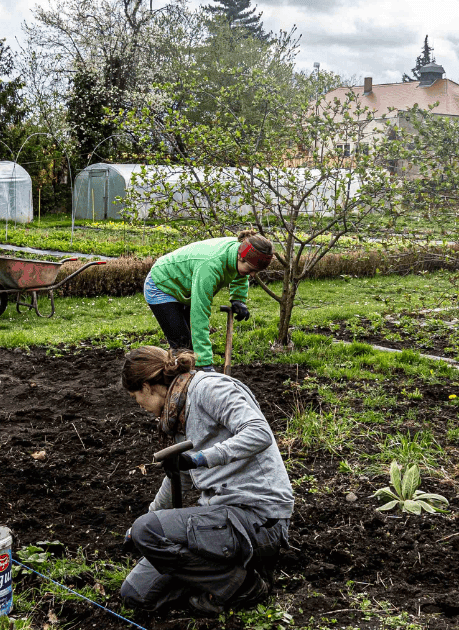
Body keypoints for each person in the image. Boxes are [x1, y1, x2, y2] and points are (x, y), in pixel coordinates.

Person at [119, 346, 294, 614]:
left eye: (134, 397)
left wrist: (203, 458)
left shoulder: (209, 388)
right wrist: (147, 519)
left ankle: (244, 585)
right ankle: (218, 579)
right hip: (221, 519)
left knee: (149, 531)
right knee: (136, 595)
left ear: (146, 386)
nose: (138, 405)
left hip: (258, 519)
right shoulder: (176, 415)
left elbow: (259, 433)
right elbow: (181, 476)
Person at [144, 231, 273, 371]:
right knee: (183, 347)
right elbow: (199, 315)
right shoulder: (210, 266)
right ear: (240, 257)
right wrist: (204, 362)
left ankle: (189, 379)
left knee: (189, 346)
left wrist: (238, 299)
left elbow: (239, 274)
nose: (253, 275)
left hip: (184, 285)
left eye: (256, 271)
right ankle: (170, 383)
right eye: (251, 270)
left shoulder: (238, 251)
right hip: (161, 284)